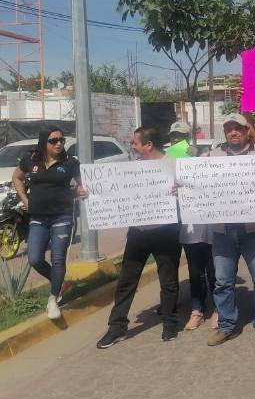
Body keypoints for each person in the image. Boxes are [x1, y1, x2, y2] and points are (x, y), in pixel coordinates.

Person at [97, 127, 182, 348]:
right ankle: (117, 328)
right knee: (127, 280)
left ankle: (170, 324)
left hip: (166, 231)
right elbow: (111, 191)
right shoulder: (132, 169)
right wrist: (90, 192)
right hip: (138, 232)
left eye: (135, 143)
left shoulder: (174, 164)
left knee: (169, 280)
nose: (132, 147)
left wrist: (180, 190)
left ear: (149, 145)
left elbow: (192, 192)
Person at [205, 113, 255, 347]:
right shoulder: (212, 157)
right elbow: (197, 183)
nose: (233, 132)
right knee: (222, 281)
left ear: (247, 130)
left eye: (237, 128)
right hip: (223, 231)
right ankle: (226, 325)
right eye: (229, 129)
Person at [12, 127, 86, 319]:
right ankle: (60, 282)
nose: (59, 143)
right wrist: (24, 198)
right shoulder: (31, 159)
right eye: (54, 140)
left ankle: (53, 298)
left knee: (58, 258)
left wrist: (81, 191)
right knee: (34, 258)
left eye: (61, 139)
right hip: (38, 217)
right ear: (44, 142)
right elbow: (17, 177)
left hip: (62, 216)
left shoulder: (70, 162)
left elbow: (82, 185)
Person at [167, 122, 216, 331]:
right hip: (188, 225)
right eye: (174, 137)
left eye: (181, 136)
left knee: (215, 270)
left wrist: (198, 155)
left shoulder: (204, 157)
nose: (176, 141)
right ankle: (197, 310)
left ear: (189, 138)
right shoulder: (166, 161)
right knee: (195, 271)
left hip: (212, 224)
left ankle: (218, 309)